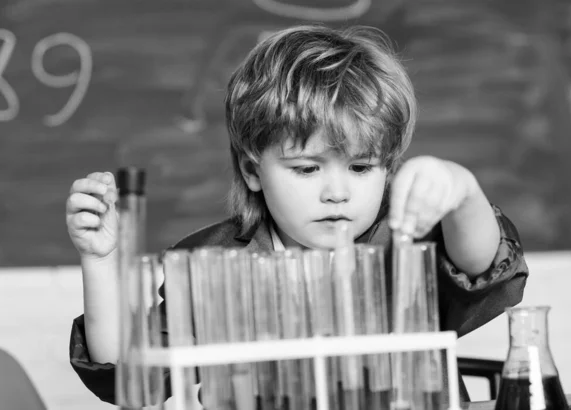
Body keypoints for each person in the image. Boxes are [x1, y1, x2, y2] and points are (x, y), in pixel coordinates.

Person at [66, 25, 528, 405]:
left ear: (388, 168)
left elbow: (482, 264)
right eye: (307, 168)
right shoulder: (213, 261)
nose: (337, 193)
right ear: (252, 170)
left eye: (362, 167)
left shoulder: (407, 245)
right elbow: (129, 375)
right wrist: (102, 261)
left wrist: (462, 191)